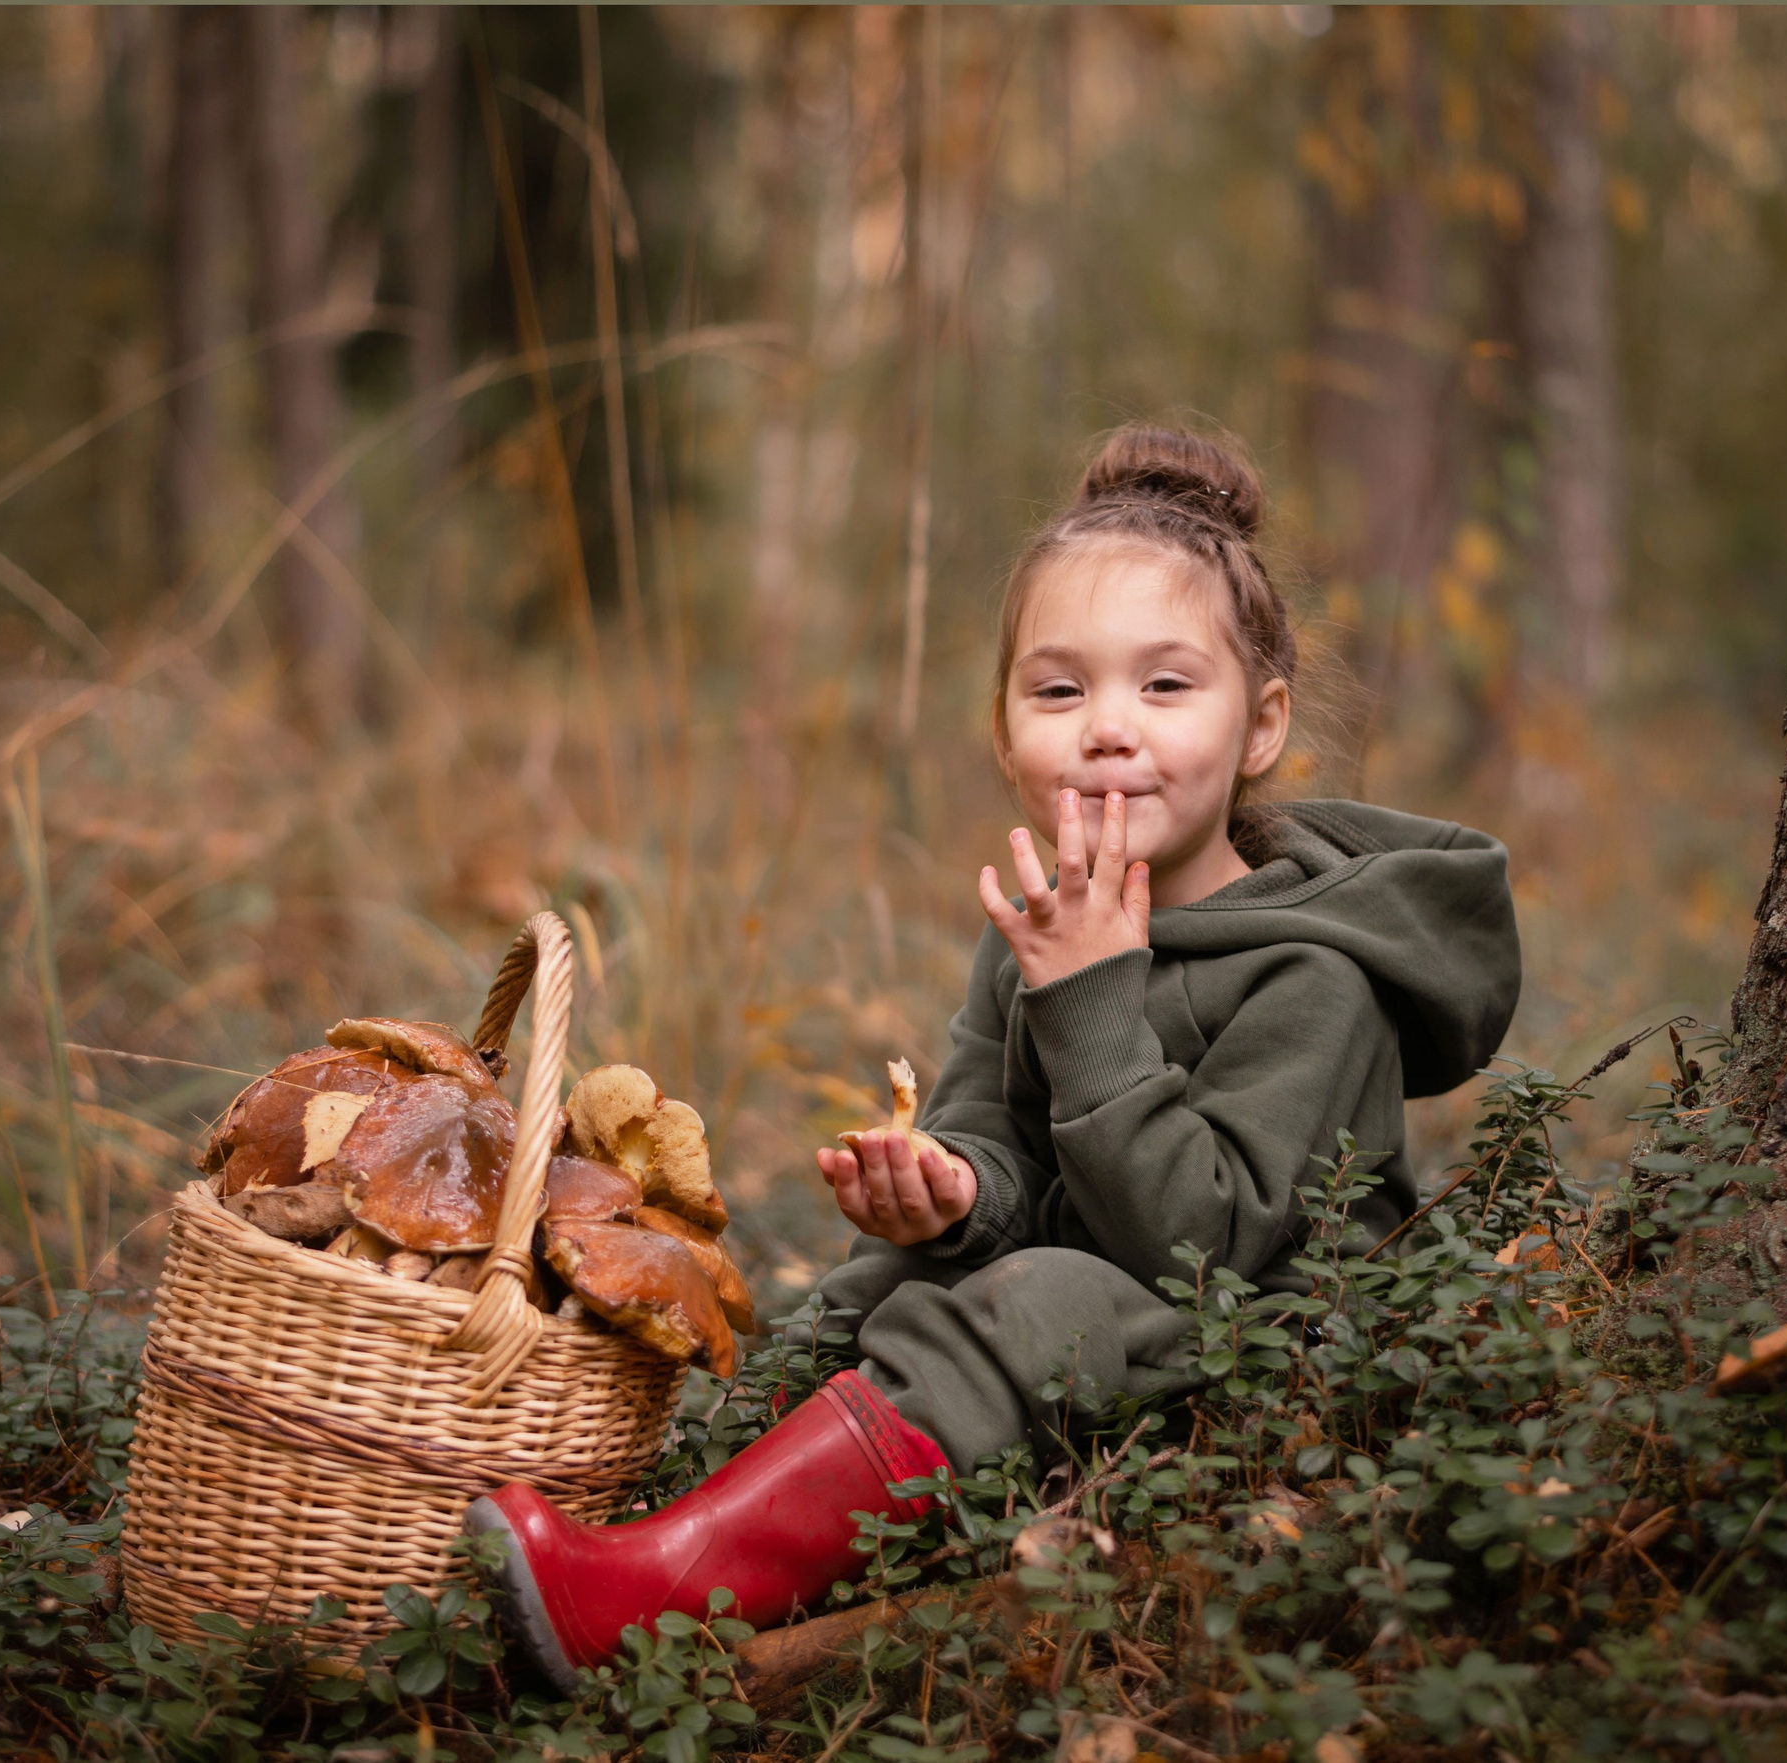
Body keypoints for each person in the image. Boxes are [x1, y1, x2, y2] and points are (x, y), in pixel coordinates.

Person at [469, 422, 1521, 1689]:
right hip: (1090, 1323)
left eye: (1167, 686)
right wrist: (952, 1188)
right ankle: (675, 1511)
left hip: (1264, 1340)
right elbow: (999, 1147)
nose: (1108, 729)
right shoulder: (1041, 926)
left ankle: (651, 1599)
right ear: (1005, 726)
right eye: (1059, 689)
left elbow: (1204, 1247)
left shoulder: (1314, 974)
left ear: (1261, 725)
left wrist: (1089, 1007)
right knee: (879, 1287)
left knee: (1039, 1294)